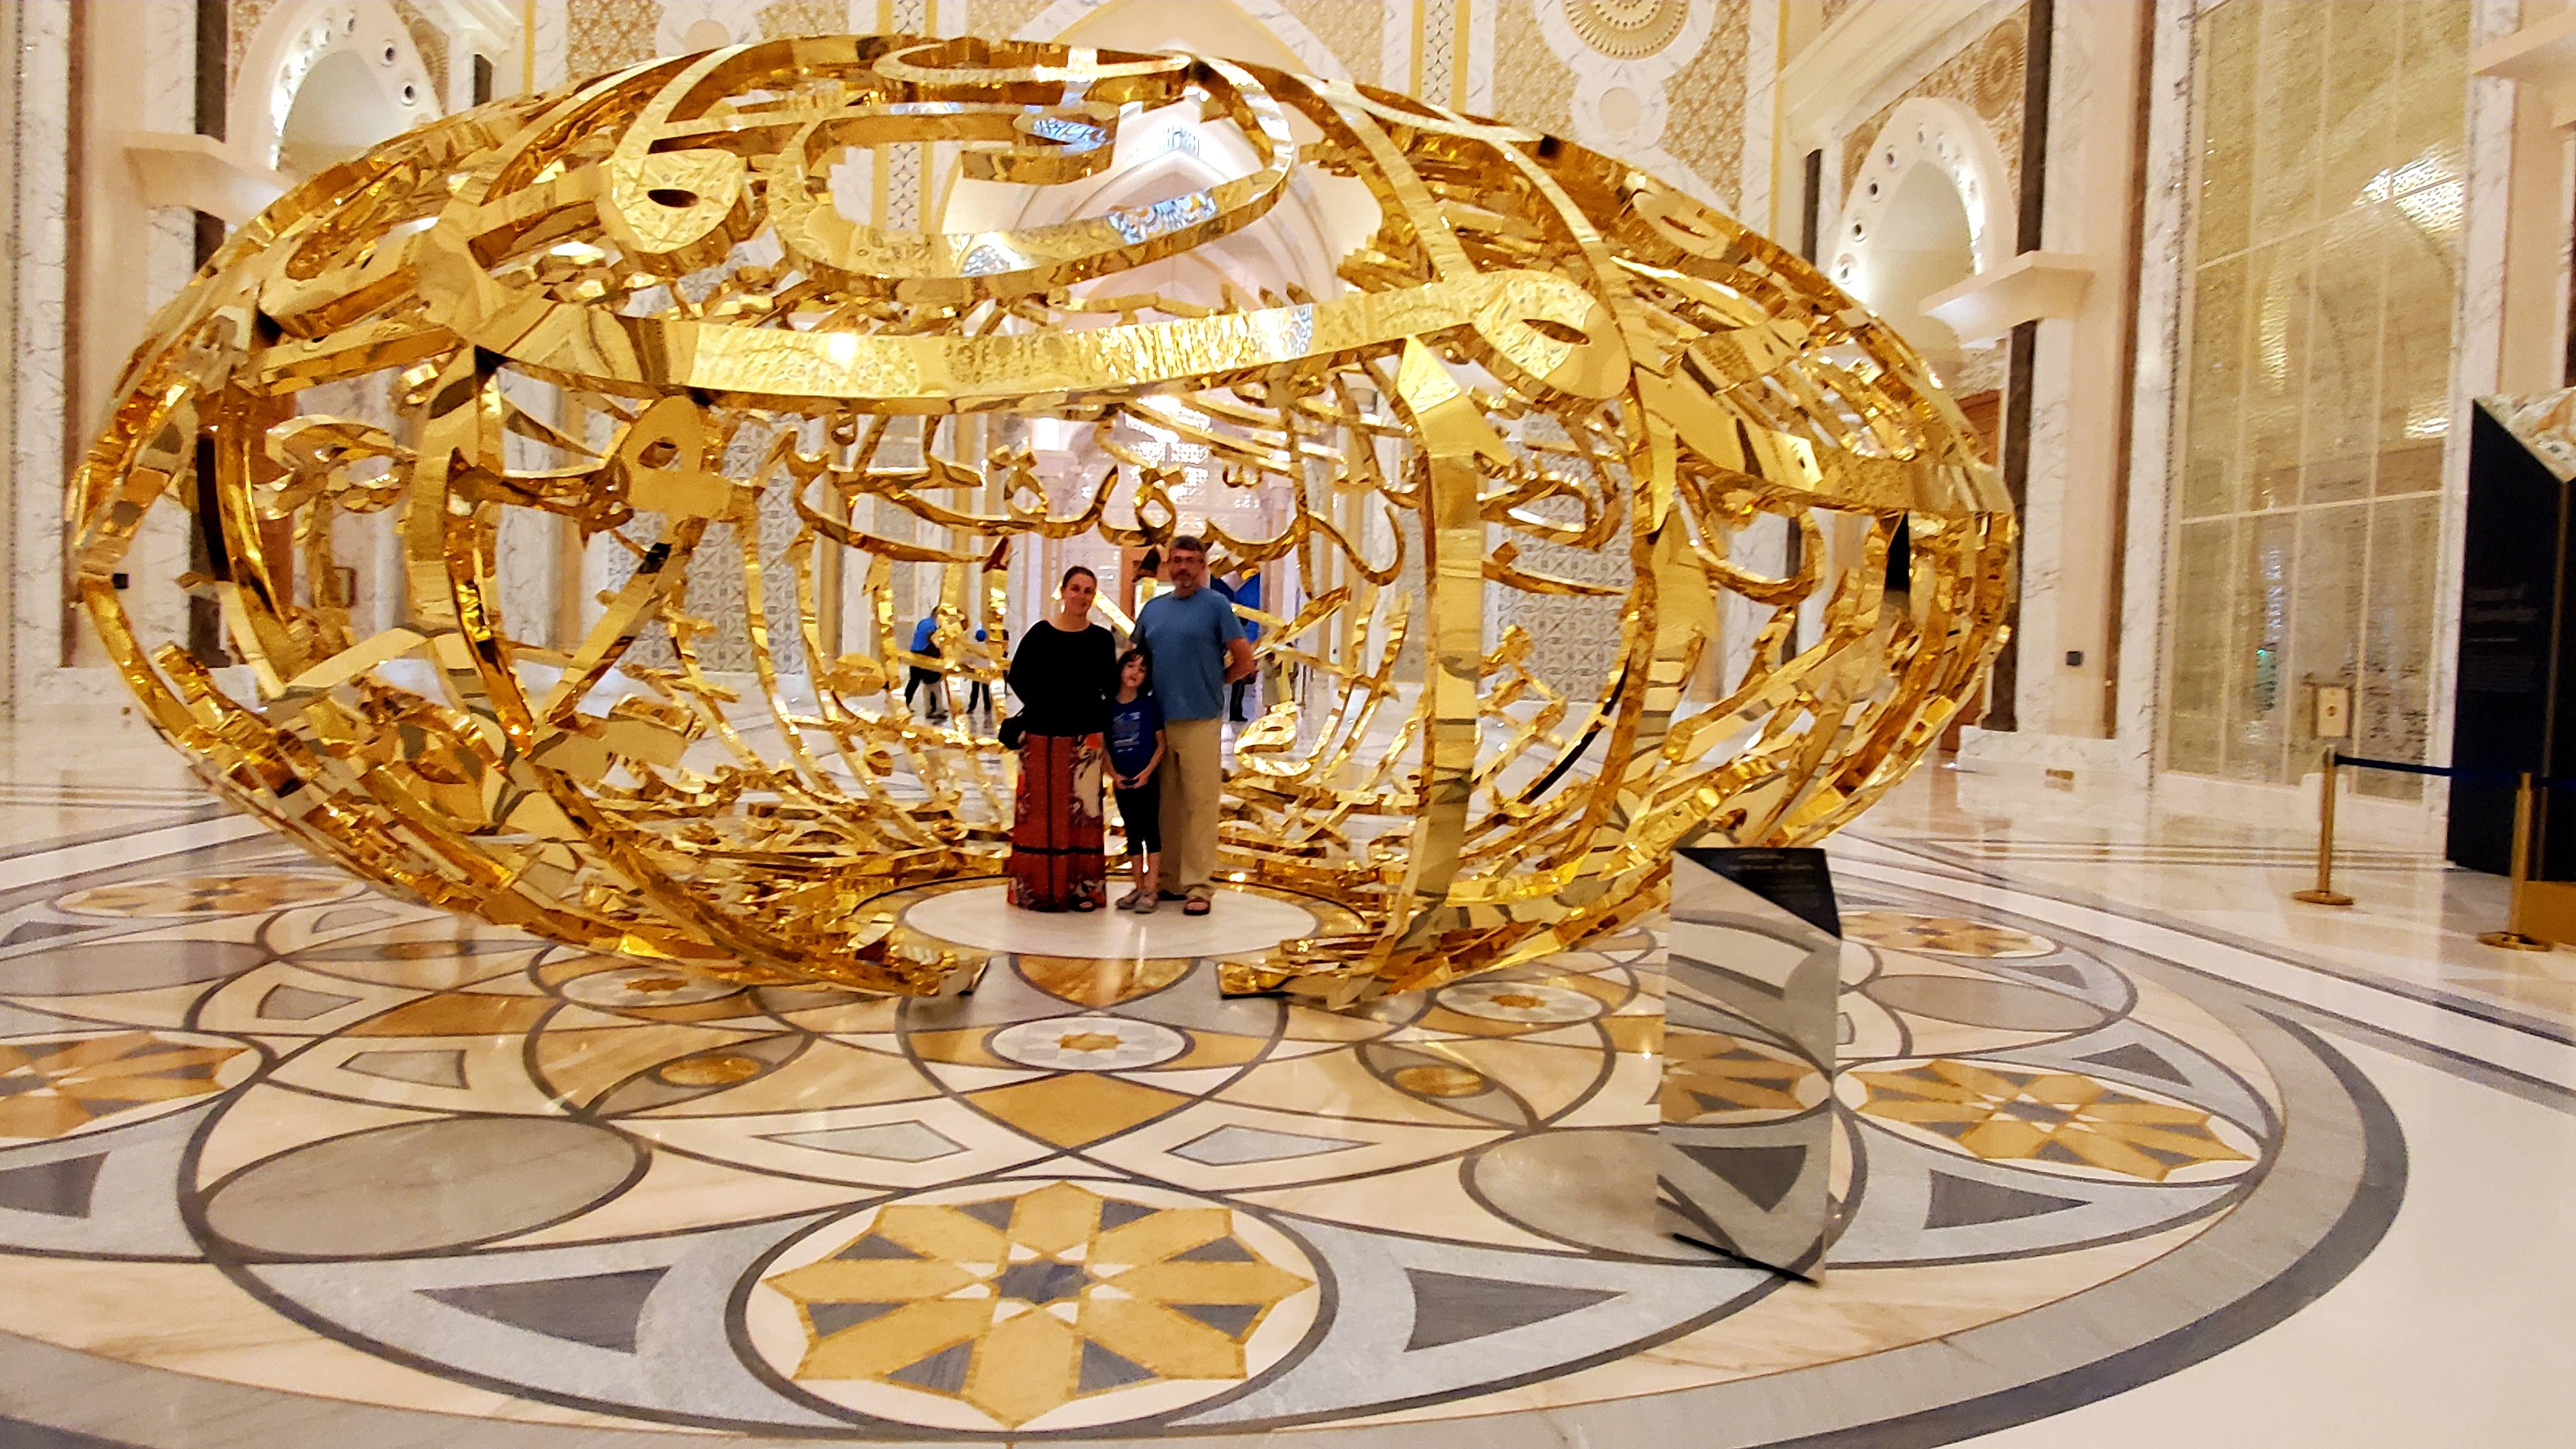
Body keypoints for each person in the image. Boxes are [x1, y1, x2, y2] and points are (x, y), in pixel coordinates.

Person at [1132, 535, 1254, 916]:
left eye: (1191, 560)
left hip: (1201, 720)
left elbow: (1245, 660)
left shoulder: (1216, 606)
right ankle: (1168, 880)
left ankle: (1199, 885)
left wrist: (1216, 682)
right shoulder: (1153, 610)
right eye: (1177, 560)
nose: (1183, 566)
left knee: (1200, 806)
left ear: (1202, 566)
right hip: (1159, 723)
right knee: (1165, 807)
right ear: (1168, 565)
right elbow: (1137, 660)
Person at [1003, 567, 1117, 911]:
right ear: (1064, 591)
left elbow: (1109, 687)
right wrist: (1046, 703)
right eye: (1075, 588)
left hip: (1085, 739)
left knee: (1083, 814)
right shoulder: (1040, 634)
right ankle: (1037, 889)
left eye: (1088, 590)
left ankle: (1082, 890)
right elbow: (1019, 677)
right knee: (1039, 813)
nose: (1081, 596)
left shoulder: (1101, 639)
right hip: (1041, 734)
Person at [1105, 647, 1166, 913]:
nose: (1135, 673)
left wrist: (1147, 773)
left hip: (1146, 780)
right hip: (1123, 780)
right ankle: (1138, 885)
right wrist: (1114, 774)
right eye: (1130, 666)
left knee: (1150, 831)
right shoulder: (1108, 707)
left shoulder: (1149, 705)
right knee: (1132, 833)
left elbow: (1161, 744)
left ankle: (1151, 887)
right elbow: (1104, 746)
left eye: (1142, 669)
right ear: (1120, 669)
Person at [1228, 569, 1263, 722]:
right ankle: (1235, 713)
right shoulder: (1239, 635)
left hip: (1237, 666)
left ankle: (1236, 712)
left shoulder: (1238, 633)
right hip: (1237, 666)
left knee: (1238, 691)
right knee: (1238, 691)